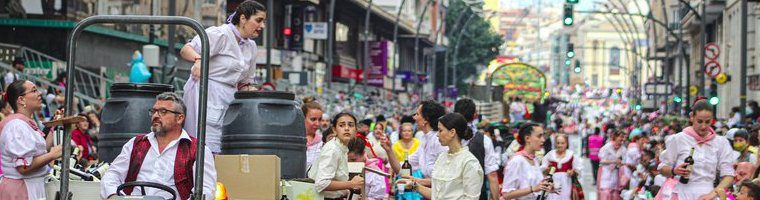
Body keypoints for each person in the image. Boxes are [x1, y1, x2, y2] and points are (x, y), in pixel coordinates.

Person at [180, 0, 266, 153]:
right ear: (243, 18)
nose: (262, 26)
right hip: (205, 93)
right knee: (202, 146)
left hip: (229, 99)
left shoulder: (251, 46)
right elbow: (186, 49)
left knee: (224, 147)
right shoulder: (220, 34)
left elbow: (245, 82)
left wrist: (254, 93)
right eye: (258, 20)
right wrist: (199, 60)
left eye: (264, 21)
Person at [100, 92, 217, 200]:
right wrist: (113, 195)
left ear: (180, 118)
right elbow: (112, 174)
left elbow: (206, 191)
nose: (156, 115)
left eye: (163, 112)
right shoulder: (135, 143)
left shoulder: (198, 150)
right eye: (154, 111)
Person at [659, 99, 736, 200]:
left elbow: (729, 175)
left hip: (708, 194)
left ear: (712, 119)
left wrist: (712, 194)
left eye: (707, 122)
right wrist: (674, 171)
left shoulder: (721, 142)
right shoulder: (678, 139)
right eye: (699, 121)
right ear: (692, 117)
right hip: (681, 193)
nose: (703, 126)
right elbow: (662, 168)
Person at [0, 80, 63, 199]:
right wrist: (52, 155)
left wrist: (54, 125)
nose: (39, 94)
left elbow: (41, 150)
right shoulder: (16, 126)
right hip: (22, 190)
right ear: (21, 100)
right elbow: (24, 167)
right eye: (34, 90)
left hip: (32, 187)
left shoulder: (24, 123)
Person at [397, 113, 484, 199]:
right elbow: (436, 195)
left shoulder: (469, 163)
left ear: (452, 132)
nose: (437, 134)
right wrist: (415, 186)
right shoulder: (442, 157)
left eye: (440, 130)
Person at [308, 112, 364, 199]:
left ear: (355, 130)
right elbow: (322, 184)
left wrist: (348, 192)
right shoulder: (332, 149)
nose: (346, 128)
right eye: (341, 125)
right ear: (334, 130)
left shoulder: (342, 148)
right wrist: (351, 184)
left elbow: (337, 182)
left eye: (350, 125)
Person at [454, 98, 500, 200]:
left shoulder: (445, 137)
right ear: (475, 115)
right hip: (477, 194)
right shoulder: (485, 140)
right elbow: (492, 174)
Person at [501, 122, 553, 200]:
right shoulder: (517, 161)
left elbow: (536, 187)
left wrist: (545, 187)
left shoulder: (534, 159)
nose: (543, 140)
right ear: (527, 138)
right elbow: (506, 194)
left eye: (543, 136)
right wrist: (533, 189)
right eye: (539, 136)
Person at [407, 100, 447, 186]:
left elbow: (445, 179)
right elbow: (406, 164)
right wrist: (388, 150)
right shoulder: (424, 138)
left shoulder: (439, 141)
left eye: (417, 114)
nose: (414, 117)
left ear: (426, 120)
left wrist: (417, 182)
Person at [541, 134, 583, 200]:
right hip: (553, 184)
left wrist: (572, 172)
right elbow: (543, 170)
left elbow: (578, 171)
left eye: (562, 143)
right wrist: (547, 170)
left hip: (567, 184)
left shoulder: (571, 155)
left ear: (567, 143)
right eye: (558, 143)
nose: (560, 145)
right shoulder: (550, 155)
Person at [597, 130, 626, 200]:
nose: (622, 139)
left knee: (614, 194)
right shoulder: (607, 147)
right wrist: (613, 161)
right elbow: (602, 161)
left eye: (624, 137)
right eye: (621, 137)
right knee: (605, 193)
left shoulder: (623, 149)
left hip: (616, 174)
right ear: (615, 137)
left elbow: (624, 161)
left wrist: (620, 164)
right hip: (605, 172)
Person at [302, 96, 324, 171]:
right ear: (303, 118)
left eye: (320, 119)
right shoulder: (292, 139)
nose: (317, 123)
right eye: (313, 119)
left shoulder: (323, 142)